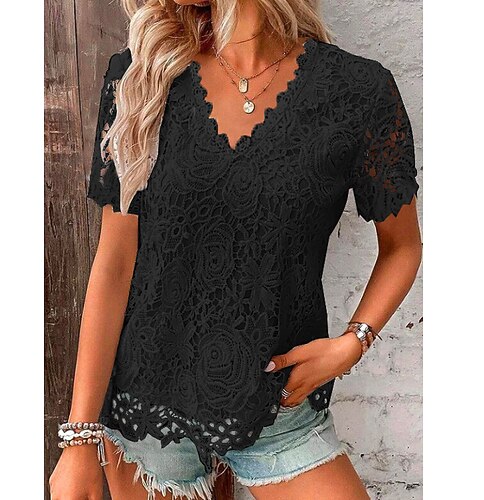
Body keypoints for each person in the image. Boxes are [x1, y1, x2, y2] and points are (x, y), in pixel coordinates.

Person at [49, 0, 422, 499]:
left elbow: (402, 247)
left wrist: (352, 343)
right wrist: (79, 438)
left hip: (278, 406)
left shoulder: (358, 91)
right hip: (149, 410)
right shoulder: (142, 76)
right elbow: (115, 263)